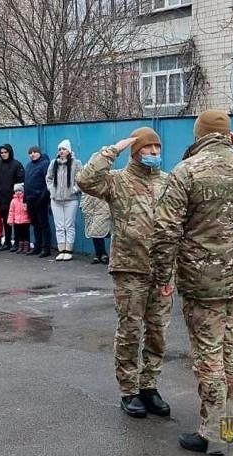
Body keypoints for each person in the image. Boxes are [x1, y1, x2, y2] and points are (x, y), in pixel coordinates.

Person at [150, 110, 233, 454]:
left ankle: (214, 432)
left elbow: (165, 230)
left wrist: (163, 276)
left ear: (198, 136)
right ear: (227, 135)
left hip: (201, 283)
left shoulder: (186, 172)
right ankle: (230, 429)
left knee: (209, 359)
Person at [77, 127, 172, 418]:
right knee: (130, 331)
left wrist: (171, 270)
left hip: (162, 270)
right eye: (148, 148)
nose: (154, 153)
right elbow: (85, 179)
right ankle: (129, 390)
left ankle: (149, 386)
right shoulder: (118, 181)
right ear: (135, 151)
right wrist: (112, 150)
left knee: (157, 333)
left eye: (157, 148)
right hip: (129, 268)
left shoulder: (168, 182)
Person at [46, 139, 82, 261]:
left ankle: (68, 250)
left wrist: (75, 189)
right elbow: (49, 178)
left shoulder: (76, 163)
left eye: (64, 149)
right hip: (56, 199)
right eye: (60, 149)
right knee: (59, 226)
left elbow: (81, 179)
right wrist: (52, 190)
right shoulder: (53, 163)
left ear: (69, 150)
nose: (61, 151)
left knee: (69, 225)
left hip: (71, 199)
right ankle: (61, 250)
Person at [23, 146, 52, 258]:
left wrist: (43, 197)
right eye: (30, 153)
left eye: (35, 152)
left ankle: (46, 248)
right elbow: (26, 183)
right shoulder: (29, 165)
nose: (32, 154)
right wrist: (25, 199)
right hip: (30, 200)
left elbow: (47, 182)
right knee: (35, 224)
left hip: (41, 200)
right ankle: (37, 246)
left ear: (39, 153)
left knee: (43, 224)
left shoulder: (45, 164)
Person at [0, 144, 25, 251]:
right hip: (1, 198)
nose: (3, 154)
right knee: (6, 221)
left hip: (14, 199)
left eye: (5, 152)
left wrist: (16, 195)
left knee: (17, 222)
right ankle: (7, 242)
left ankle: (17, 243)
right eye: (1, 153)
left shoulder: (17, 164)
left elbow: (21, 181)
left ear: (10, 152)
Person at [80, 193, 111, 264]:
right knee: (94, 231)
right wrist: (82, 204)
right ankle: (99, 253)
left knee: (98, 230)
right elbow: (84, 192)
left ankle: (102, 254)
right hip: (90, 205)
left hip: (102, 206)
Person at [7, 183, 31, 254]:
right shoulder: (13, 201)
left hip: (25, 221)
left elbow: (29, 210)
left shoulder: (25, 199)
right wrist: (10, 221)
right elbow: (11, 211)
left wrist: (26, 208)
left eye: (20, 190)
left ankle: (26, 247)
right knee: (20, 234)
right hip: (17, 221)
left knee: (26, 234)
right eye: (16, 190)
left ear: (23, 191)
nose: (18, 192)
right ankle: (20, 246)